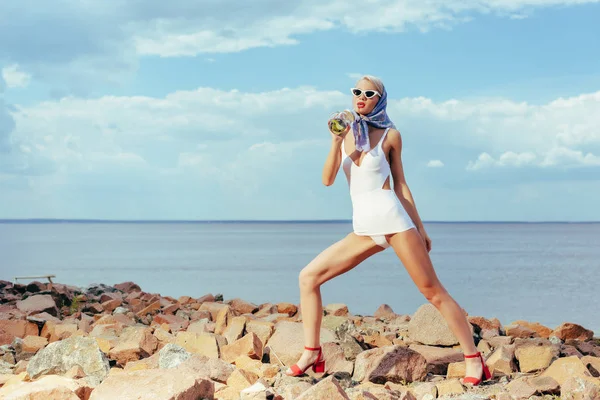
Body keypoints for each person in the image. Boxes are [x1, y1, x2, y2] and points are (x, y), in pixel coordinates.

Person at [285, 75, 491, 386]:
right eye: (357, 91)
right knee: (308, 277)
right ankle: (312, 353)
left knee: (433, 292)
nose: (361, 97)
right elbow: (327, 180)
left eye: (369, 93)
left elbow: (401, 185)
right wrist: (336, 142)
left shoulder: (390, 135)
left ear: (379, 99)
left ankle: (474, 360)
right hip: (364, 228)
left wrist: (420, 229)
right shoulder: (344, 135)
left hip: (393, 221)